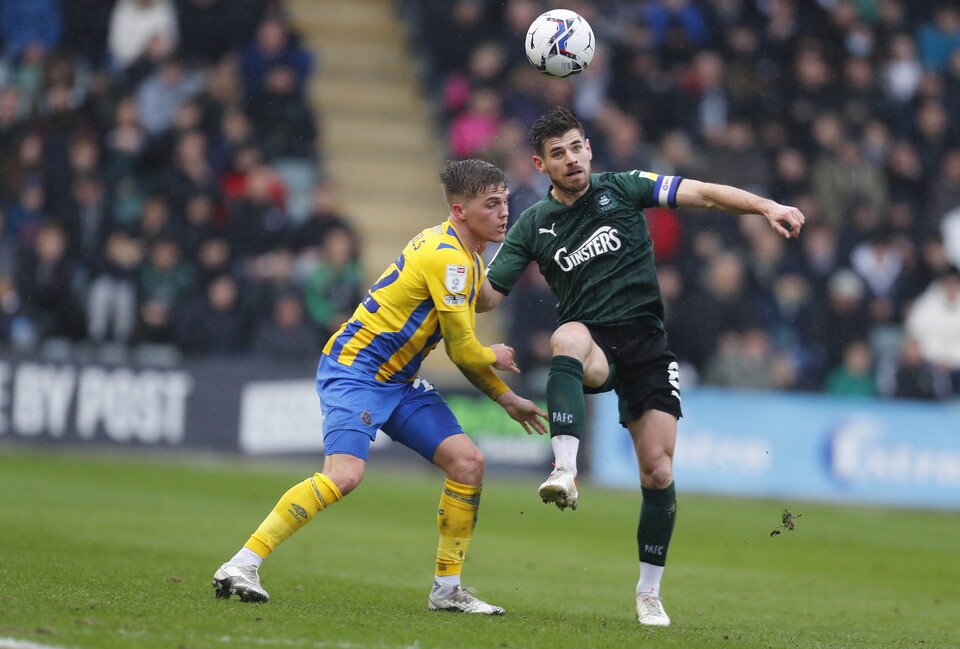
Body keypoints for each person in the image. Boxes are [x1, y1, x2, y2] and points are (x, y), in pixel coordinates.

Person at [479, 108, 806, 626]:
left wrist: (765, 205)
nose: (570, 160)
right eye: (556, 154)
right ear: (541, 166)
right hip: (595, 343)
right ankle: (564, 469)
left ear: (589, 147)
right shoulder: (532, 225)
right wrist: (452, 256)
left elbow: (703, 193)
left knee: (657, 471)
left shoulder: (625, 187)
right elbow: (485, 298)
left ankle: (648, 592)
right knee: (564, 337)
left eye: (575, 147)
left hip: (648, 345)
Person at [213, 159, 548, 614]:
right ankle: (242, 563)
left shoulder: (462, 254)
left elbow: (484, 299)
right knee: (344, 476)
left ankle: (447, 590)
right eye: (491, 204)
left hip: (399, 381)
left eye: (505, 201)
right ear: (459, 210)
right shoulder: (448, 258)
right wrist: (495, 357)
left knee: (468, 464)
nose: (503, 211)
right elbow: (465, 350)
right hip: (356, 371)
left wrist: (507, 399)